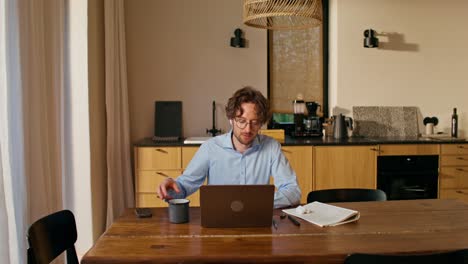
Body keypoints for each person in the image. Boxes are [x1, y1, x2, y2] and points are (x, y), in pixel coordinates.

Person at [156, 87, 301, 208]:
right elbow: (185, 186)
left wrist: (257, 203)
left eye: (255, 122)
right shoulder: (210, 148)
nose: (247, 129)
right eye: (241, 121)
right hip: (218, 223)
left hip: (258, 223)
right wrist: (171, 187)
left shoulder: (271, 147)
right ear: (231, 119)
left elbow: (292, 191)